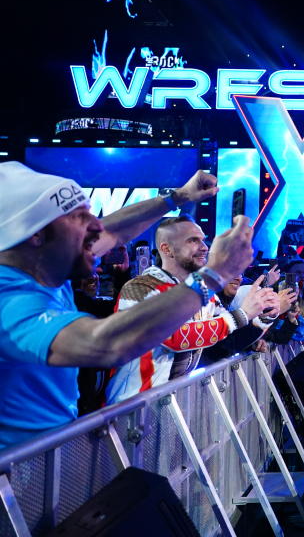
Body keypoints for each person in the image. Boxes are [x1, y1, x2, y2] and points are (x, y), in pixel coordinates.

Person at [0, 162, 253, 451]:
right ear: (37, 235)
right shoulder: (8, 300)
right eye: (80, 217)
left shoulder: (44, 262)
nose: (97, 225)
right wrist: (214, 275)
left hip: (46, 458)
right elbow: (106, 345)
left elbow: (115, 230)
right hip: (17, 476)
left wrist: (177, 197)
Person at [104, 216, 277, 404]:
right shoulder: (139, 288)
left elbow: (225, 339)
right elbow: (175, 337)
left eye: (203, 240)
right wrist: (243, 314)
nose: (204, 247)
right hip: (131, 408)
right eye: (193, 240)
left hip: (172, 404)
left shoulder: (203, 292)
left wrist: (263, 318)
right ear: (166, 248)